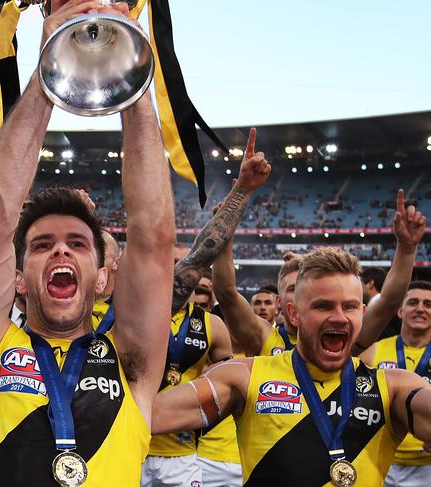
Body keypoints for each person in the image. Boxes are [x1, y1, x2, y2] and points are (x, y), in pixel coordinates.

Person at [0, 1, 175, 485]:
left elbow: (154, 239)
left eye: (77, 243)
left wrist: (128, 63)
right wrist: (49, 65)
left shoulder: (131, 364)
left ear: (104, 275)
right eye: (41, 245)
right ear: (18, 280)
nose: (61, 252)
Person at [152, 247, 431, 486]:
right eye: (323, 306)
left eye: (349, 307)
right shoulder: (245, 377)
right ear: (294, 314)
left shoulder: (392, 386)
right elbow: (149, 415)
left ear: (363, 313)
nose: (339, 317)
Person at [142, 127, 271, 487]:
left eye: (175, 268)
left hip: (181, 453)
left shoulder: (211, 326)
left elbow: (201, 257)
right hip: (120, 443)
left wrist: (241, 191)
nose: (173, 274)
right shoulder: (114, 313)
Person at [211, 189, 426, 358]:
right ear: (282, 302)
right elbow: (227, 293)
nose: (303, 295)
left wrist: (406, 251)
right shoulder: (264, 338)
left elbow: (388, 301)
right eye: (294, 289)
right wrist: (224, 234)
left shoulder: (346, 340)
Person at [361, 281, 431, 486]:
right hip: (379, 461)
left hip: (426, 467)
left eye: (428, 304)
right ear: (400, 311)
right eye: (413, 302)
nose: (420, 308)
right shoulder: (372, 350)